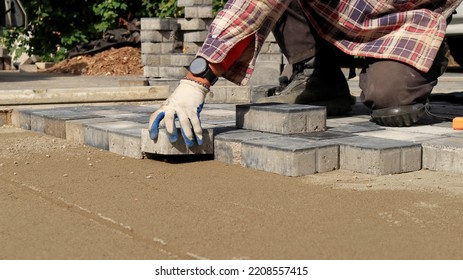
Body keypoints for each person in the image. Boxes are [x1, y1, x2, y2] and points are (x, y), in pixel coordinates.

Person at [149, 0, 462, 147]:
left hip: (404, 23)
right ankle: (318, 76)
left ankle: (427, 58)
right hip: (333, 16)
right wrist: (196, 80)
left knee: (393, 103)